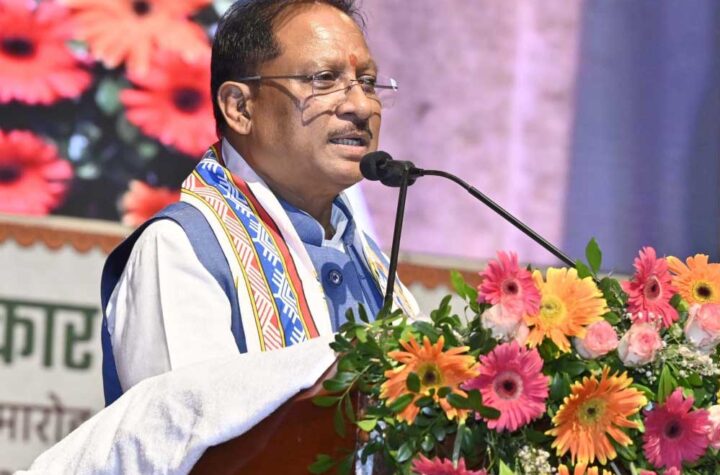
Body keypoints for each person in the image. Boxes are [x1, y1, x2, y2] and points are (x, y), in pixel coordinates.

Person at [100, 0, 419, 406]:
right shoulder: (181, 249)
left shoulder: (370, 263)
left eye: (368, 82)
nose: (360, 106)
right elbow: (187, 432)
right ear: (240, 107)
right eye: (324, 79)